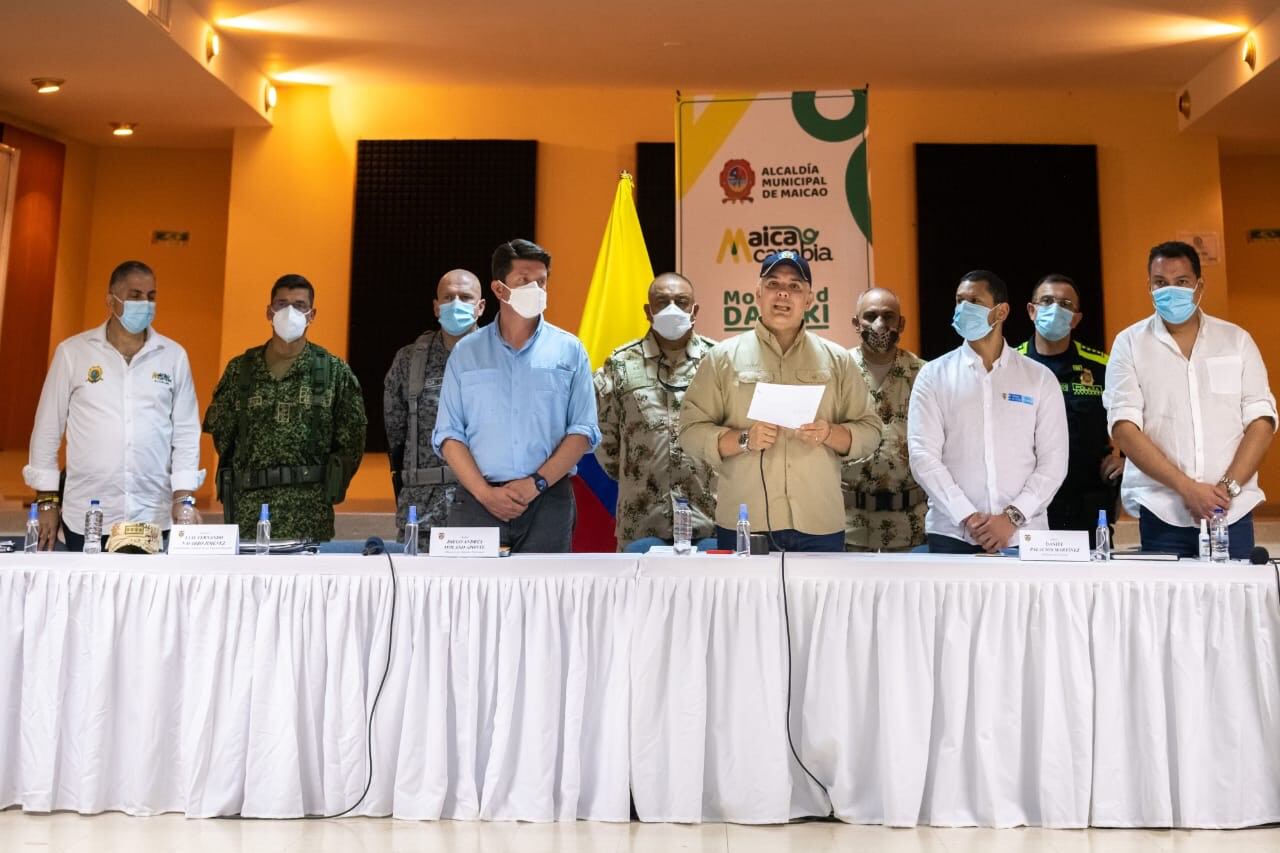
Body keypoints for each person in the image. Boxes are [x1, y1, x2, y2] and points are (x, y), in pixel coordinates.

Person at [680, 250, 880, 552]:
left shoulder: (837, 360)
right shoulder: (722, 358)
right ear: (758, 294)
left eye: (795, 286)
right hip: (746, 523)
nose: (783, 293)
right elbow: (689, 432)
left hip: (819, 523)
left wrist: (829, 433)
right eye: (773, 283)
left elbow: (871, 430)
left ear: (809, 299)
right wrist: (744, 439)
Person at [1104, 241, 1275, 558]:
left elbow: (1261, 422)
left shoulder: (1236, 340)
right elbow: (1124, 428)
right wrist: (1187, 488)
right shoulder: (1129, 344)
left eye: (1181, 281)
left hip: (1231, 511)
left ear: (1199, 286)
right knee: (1167, 593)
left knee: (1235, 592)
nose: (1171, 290)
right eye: (1161, 283)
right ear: (1149, 286)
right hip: (1163, 512)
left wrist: (1224, 490)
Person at [432, 239, 600, 553]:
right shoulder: (466, 353)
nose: (535, 289)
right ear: (499, 289)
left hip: (548, 499)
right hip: (478, 500)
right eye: (524, 281)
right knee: (472, 586)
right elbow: (449, 434)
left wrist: (535, 483)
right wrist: (486, 494)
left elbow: (583, 431)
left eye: (541, 282)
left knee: (545, 586)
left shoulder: (570, 350)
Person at [24, 260, 204, 551]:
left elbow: (185, 432)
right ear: (111, 301)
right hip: (88, 514)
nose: (145, 304)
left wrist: (183, 497)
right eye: (135, 296)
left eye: (151, 296)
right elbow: (47, 428)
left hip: (152, 513)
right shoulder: (73, 353)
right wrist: (47, 500)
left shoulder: (173, 356)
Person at [908, 270, 1068, 553]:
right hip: (953, 533)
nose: (963, 308)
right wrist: (968, 517)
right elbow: (923, 456)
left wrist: (1011, 518)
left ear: (1001, 312)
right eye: (959, 301)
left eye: (974, 301)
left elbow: (1053, 462)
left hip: (1023, 535)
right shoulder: (933, 376)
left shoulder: (1038, 378)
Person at [203, 274, 367, 542]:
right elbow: (224, 436)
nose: (290, 312)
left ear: (312, 314)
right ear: (269, 312)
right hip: (249, 509)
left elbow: (352, 443)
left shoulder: (334, 372)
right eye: (281, 304)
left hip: (309, 510)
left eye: (300, 305)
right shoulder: (240, 370)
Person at [594, 272, 718, 552]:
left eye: (681, 302)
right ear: (648, 311)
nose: (672, 308)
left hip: (708, 517)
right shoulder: (621, 363)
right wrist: (639, 471)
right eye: (662, 302)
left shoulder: (718, 360)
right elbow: (605, 438)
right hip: (642, 518)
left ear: (694, 310)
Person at [383, 269, 485, 550]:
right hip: (423, 511)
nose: (456, 304)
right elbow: (395, 432)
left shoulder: (501, 358)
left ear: (480, 307)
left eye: (465, 297)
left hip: (485, 506)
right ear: (436, 306)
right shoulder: (409, 361)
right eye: (448, 297)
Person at [1017, 273, 1122, 547]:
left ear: (1076, 318)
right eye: (1046, 301)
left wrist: (1127, 461)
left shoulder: (1102, 367)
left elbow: (1136, 418)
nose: (1055, 309)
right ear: (1031, 310)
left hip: (1087, 503)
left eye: (1065, 304)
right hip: (1025, 505)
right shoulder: (1011, 365)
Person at [842, 287, 927, 551]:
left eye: (889, 316)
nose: (880, 324)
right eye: (870, 316)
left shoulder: (924, 375)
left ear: (901, 323)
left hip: (909, 525)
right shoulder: (838, 371)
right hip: (849, 525)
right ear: (856, 323)